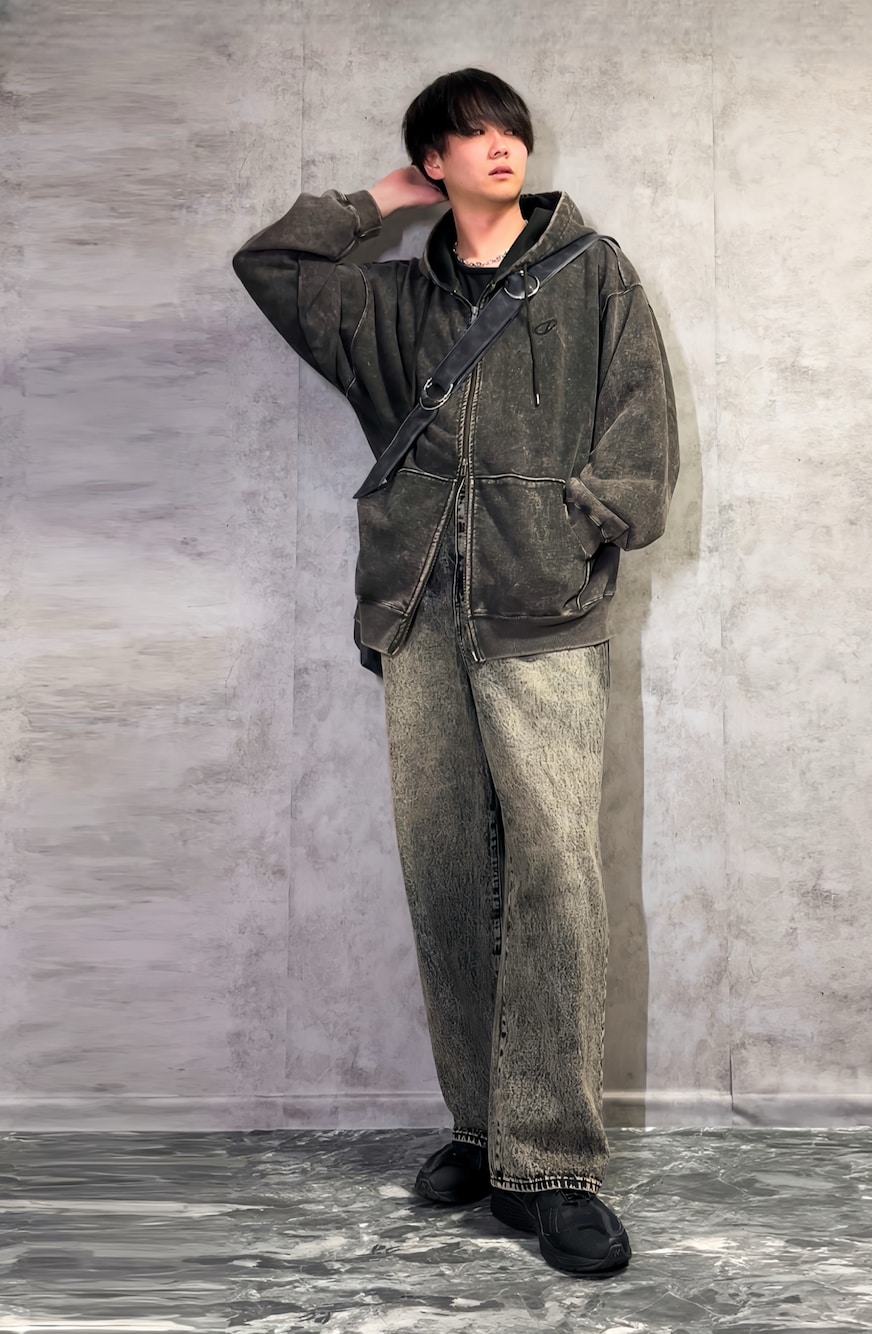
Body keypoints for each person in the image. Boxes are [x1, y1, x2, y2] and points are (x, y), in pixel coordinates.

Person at [232, 67, 679, 1278]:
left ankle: (554, 1163)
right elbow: (270, 263)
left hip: (543, 611)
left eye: (509, 130)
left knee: (554, 876)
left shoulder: (593, 273)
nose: (499, 148)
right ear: (434, 159)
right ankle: (484, 1132)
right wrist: (379, 199)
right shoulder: (386, 307)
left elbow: (640, 433)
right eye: (471, 135)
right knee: (447, 874)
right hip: (417, 608)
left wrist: (580, 524)